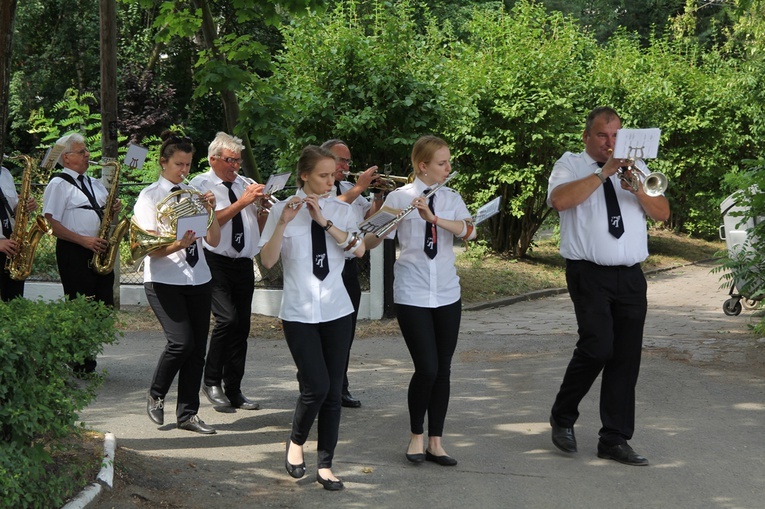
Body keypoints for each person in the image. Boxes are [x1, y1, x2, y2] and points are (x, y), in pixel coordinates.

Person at [546, 107, 670, 466]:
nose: (610, 143)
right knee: (598, 347)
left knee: (626, 358)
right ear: (587, 137)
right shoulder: (569, 165)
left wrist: (635, 186)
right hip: (589, 273)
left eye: (616, 136)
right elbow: (560, 201)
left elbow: (662, 213)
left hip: (631, 275)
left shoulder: (637, 167)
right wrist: (604, 173)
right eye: (602, 136)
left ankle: (614, 439)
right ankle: (563, 415)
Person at [364, 135, 475, 467]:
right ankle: (415, 435)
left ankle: (436, 442)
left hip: (446, 293)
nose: (448, 168)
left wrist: (435, 219)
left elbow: (470, 232)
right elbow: (368, 240)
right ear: (422, 166)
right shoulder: (399, 198)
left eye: (449, 162)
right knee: (427, 367)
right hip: (412, 293)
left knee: (443, 370)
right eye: (442, 163)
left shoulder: (451, 198)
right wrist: (385, 221)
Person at [259, 145, 365, 490]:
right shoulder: (280, 210)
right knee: (315, 386)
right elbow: (269, 261)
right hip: (299, 312)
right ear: (304, 175)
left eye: (333, 173)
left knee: (333, 391)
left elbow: (358, 248)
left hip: (337, 310)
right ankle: (295, 441)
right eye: (323, 175)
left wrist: (325, 221)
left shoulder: (340, 208)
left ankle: (326, 465)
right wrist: (283, 223)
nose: (331, 180)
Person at [134, 131, 221, 434]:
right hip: (164, 280)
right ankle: (156, 395)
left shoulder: (194, 193)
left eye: (188, 164)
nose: (184, 170)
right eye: (179, 164)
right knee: (180, 342)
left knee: (197, 349)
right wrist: (179, 244)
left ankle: (188, 415)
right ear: (163, 162)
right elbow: (151, 250)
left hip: (199, 278)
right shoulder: (150, 197)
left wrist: (212, 211)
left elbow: (213, 238)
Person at [191, 132, 266, 411]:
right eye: (230, 161)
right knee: (227, 320)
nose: (236, 166)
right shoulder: (201, 185)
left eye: (238, 161)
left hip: (243, 262)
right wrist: (242, 202)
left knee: (242, 326)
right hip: (215, 260)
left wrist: (262, 208)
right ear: (213, 160)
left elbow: (255, 225)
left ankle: (234, 388)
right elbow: (207, 224)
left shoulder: (243, 184)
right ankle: (211, 381)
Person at [42, 133, 122, 372]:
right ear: (66, 158)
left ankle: (87, 350)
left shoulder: (94, 183)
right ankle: (80, 360)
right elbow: (52, 225)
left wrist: (112, 208)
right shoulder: (58, 184)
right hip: (74, 251)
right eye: (82, 151)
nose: (88, 155)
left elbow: (103, 214)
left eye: (86, 150)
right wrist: (84, 241)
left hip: (98, 249)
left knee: (103, 304)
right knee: (80, 306)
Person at [319, 139, 381, 408]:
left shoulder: (347, 187)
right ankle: (317, 385)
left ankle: (340, 386)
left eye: (347, 161)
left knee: (346, 331)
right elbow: (330, 209)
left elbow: (368, 216)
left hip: (348, 267)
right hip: (326, 268)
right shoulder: (325, 189)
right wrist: (361, 186)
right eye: (341, 160)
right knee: (323, 331)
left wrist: (378, 197)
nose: (346, 166)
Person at [0, 162, 37, 301]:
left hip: (12, 246)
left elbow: (10, 209)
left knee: (14, 302)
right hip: (2, 244)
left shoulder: (5, 174)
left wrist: (24, 206)